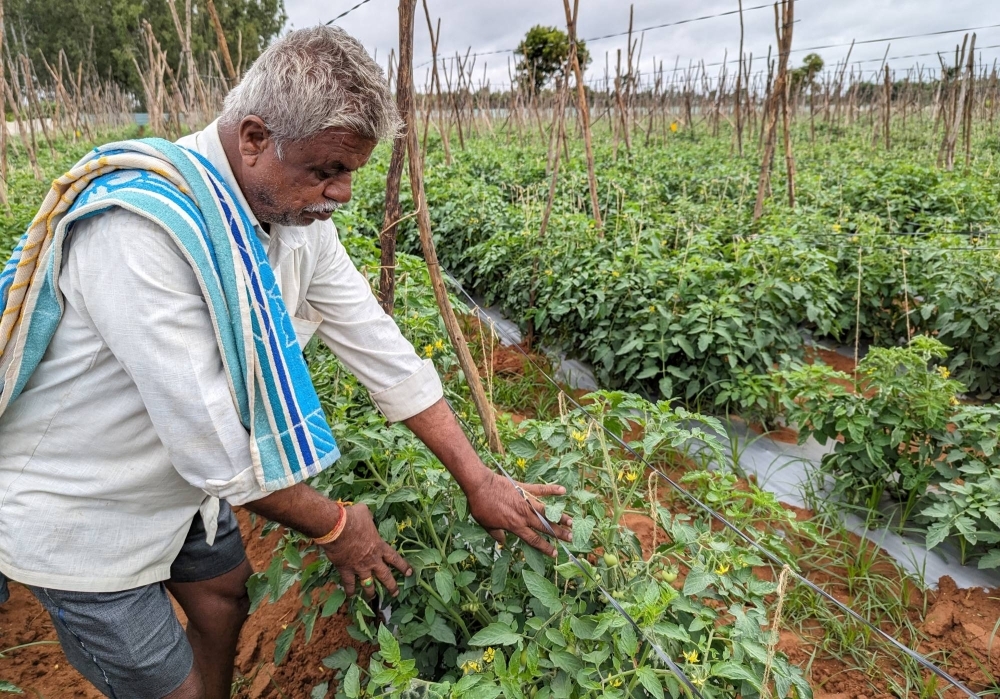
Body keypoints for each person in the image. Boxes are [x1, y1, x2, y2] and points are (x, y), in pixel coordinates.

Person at [0, 26, 571, 699]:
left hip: (176, 486)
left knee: (223, 593)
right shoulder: (142, 233)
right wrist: (335, 524)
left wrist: (478, 478)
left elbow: (377, 344)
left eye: (351, 171)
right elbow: (212, 445)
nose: (344, 193)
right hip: (85, 508)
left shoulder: (294, 220)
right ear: (253, 138)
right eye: (326, 169)